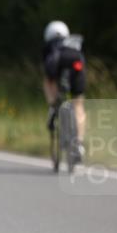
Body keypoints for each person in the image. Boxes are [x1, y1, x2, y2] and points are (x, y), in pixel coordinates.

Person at [42, 20, 87, 161]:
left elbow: (48, 71)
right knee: (78, 104)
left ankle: (53, 105)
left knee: (49, 82)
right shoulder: (73, 43)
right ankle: (79, 143)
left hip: (58, 65)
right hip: (77, 67)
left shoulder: (49, 46)